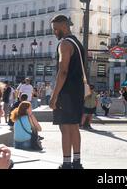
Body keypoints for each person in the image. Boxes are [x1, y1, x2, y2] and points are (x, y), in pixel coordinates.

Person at [49, 14, 85, 169]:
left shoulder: (64, 44)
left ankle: (66, 163)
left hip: (66, 92)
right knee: (74, 127)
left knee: (65, 128)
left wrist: (54, 96)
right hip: (78, 91)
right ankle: (76, 162)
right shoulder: (78, 43)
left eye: (56, 29)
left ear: (64, 27)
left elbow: (63, 71)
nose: (54, 32)